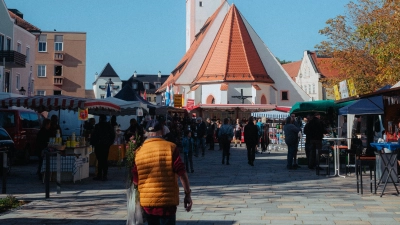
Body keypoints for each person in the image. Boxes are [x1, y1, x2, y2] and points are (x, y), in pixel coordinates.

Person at [132, 118, 193, 223]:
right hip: (167, 204)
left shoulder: (139, 152)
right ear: (162, 131)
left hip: (148, 204)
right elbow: (182, 173)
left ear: (146, 133)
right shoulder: (171, 148)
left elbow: (136, 181)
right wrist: (187, 194)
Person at [90, 114, 115, 181]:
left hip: (98, 145)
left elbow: (94, 136)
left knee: (100, 160)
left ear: (100, 119)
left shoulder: (97, 126)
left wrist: (93, 143)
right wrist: (110, 143)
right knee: (104, 160)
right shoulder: (109, 126)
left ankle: (99, 175)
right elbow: (113, 135)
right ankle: (104, 175)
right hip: (106, 145)